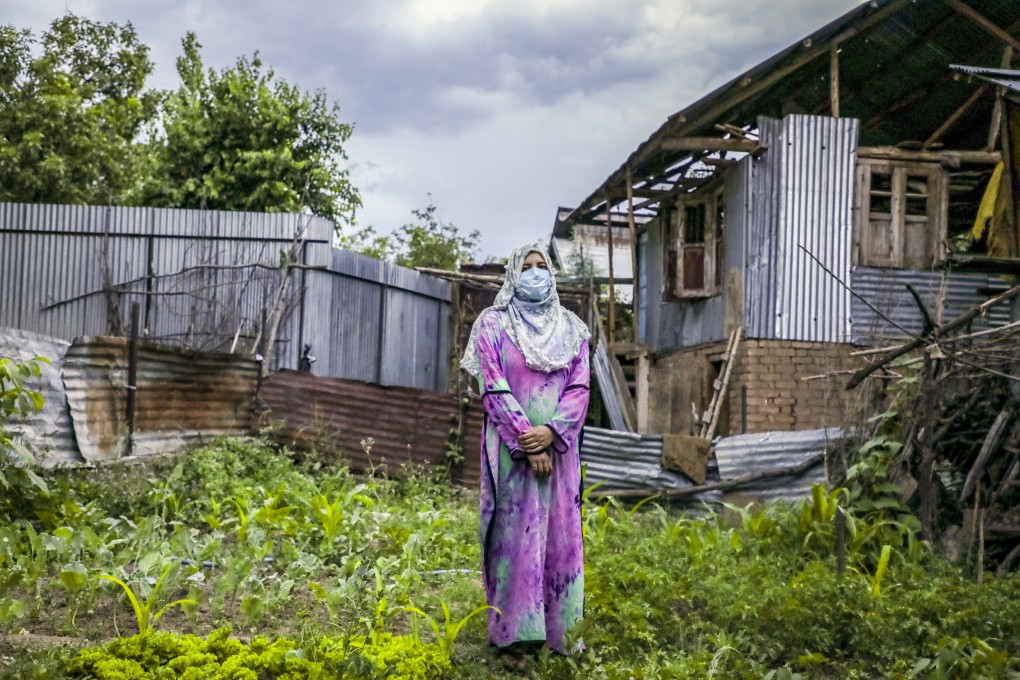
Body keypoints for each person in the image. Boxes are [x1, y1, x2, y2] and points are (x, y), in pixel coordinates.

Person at [460, 242, 591, 671]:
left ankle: (559, 635)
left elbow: (579, 389)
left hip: (561, 457)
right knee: (513, 541)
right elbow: (492, 387)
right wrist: (525, 439)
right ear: (514, 275)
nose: (536, 273)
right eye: (527, 267)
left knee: (560, 541)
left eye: (542, 266)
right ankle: (511, 638)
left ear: (552, 274)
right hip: (512, 456)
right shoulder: (493, 325)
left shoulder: (573, 329)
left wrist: (552, 433)